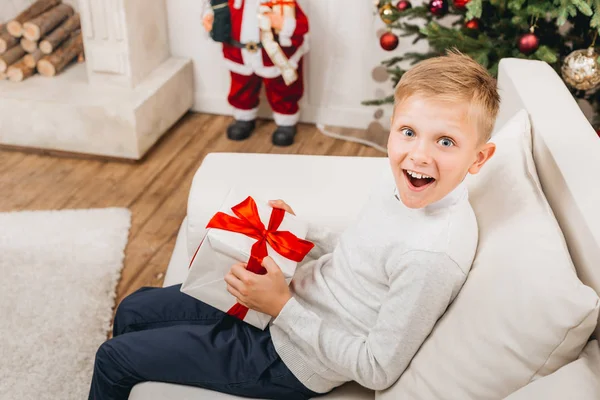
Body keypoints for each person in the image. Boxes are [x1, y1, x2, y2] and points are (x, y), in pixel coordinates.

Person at [88, 49, 500, 400]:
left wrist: (280, 307)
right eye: (408, 132)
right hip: (288, 298)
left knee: (114, 358)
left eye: (445, 142)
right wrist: (300, 231)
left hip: (290, 357)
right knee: (135, 306)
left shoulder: (431, 256)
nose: (419, 154)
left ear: (478, 158)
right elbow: (362, 253)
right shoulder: (405, 185)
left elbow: (377, 368)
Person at [202, 0, 309, 146]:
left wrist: (283, 23)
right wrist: (210, 20)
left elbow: (301, 26)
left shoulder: (283, 3)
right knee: (241, 87)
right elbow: (215, 10)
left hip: (273, 57)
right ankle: (244, 118)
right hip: (239, 54)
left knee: (282, 89)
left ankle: (286, 121)